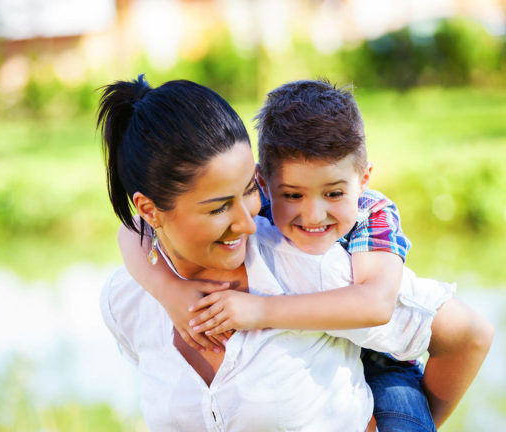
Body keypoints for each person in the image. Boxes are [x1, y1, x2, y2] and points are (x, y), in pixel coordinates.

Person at [121, 79, 494, 430]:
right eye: (293, 195)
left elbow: (377, 305)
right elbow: (132, 229)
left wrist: (261, 311)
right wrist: (168, 290)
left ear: (363, 179)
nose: (313, 215)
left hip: (386, 362)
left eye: (333, 194)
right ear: (264, 182)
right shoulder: (260, 203)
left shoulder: (370, 215)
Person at [98, 75, 378, 431]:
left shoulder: (310, 262)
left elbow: (464, 336)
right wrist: (166, 288)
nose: (248, 224)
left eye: (250, 191)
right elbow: (132, 229)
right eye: (218, 208)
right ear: (150, 210)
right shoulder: (126, 299)